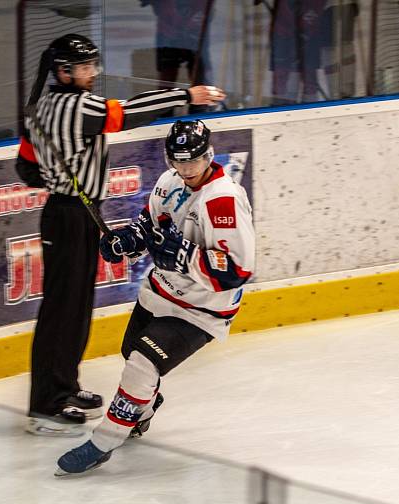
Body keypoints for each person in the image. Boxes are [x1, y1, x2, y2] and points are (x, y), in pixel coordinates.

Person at [16, 34, 226, 436]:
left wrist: (60, 177)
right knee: (62, 310)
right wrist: (186, 95)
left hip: (66, 211)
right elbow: (126, 113)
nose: (93, 73)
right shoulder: (75, 107)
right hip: (70, 215)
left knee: (74, 307)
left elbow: (25, 168)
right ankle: (45, 405)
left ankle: (64, 387)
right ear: (63, 71)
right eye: (85, 67)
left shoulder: (41, 108)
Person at [55, 119, 255, 475]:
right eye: (179, 161)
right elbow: (149, 224)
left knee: (142, 363)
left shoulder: (222, 200)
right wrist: (127, 241)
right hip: (159, 292)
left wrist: (184, 256)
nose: (187, 169)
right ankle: (142, 410)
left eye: (194, 160)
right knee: (130, 352)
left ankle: (104, 441)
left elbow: (236, 272)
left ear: (208, 155)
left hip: (201, 309)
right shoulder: (168, 182)